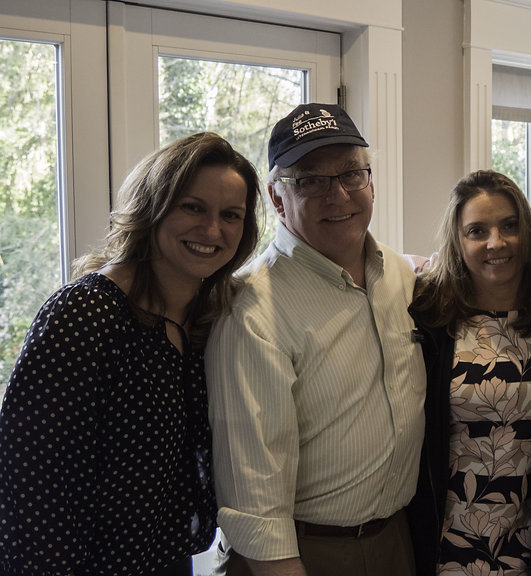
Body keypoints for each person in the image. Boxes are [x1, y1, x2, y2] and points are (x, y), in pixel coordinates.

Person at [0, 132, 261, 576]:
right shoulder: (86, 313)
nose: (212, 230)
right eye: (192, 207)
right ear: (153, 206)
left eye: (230, 215)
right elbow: (31, 492)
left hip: (170, 561)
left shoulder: (208, 320)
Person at [205, 104, 426, 576]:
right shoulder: (251, 309)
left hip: (399, 539)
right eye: (310, 180)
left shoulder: (400, 274)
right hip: (304, 554)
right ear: (276, 198)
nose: (338, 195)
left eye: (351, 173)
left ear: (371, 180)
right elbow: (255, 499)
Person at [407, 170, 531, 576]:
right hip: (444, 543)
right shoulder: (429, 317)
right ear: (457, 242)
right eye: (477, 231)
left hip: (528, 543)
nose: (497, 242)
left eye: (509, 226)